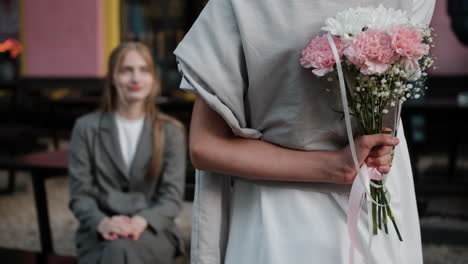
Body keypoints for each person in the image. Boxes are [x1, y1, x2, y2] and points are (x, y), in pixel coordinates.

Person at [174, 0, 435, 263]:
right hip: (281, 209)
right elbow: (204, 146)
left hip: (362, 195)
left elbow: (205, 145)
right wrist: (334, 166)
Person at [68, 42, 186, 264]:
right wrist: (103, 222)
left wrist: (141, 221)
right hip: (99, 231)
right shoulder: (85, 129)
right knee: (118, 248)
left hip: (153, 230)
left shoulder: (171, 132)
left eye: (144, 70)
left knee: (119, 249)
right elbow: (80, 195)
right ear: (113, 77)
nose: (136, 78)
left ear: (153, 79)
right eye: (126, 70)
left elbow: (171, 198)